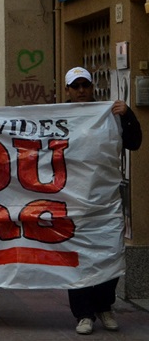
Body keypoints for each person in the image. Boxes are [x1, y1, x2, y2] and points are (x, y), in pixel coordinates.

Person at [63, 66, 141, 335]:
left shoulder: (109, 114)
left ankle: (104, 307)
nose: (81, 90)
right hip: (73, 199)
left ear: (93, 87)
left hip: (106, 200)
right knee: (78, 258)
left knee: (109, 252)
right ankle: (83, 314)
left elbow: (134, 143)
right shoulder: (58, 118)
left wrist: (128, 116)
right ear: (68, 91)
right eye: (76, 86)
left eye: (85, 85)